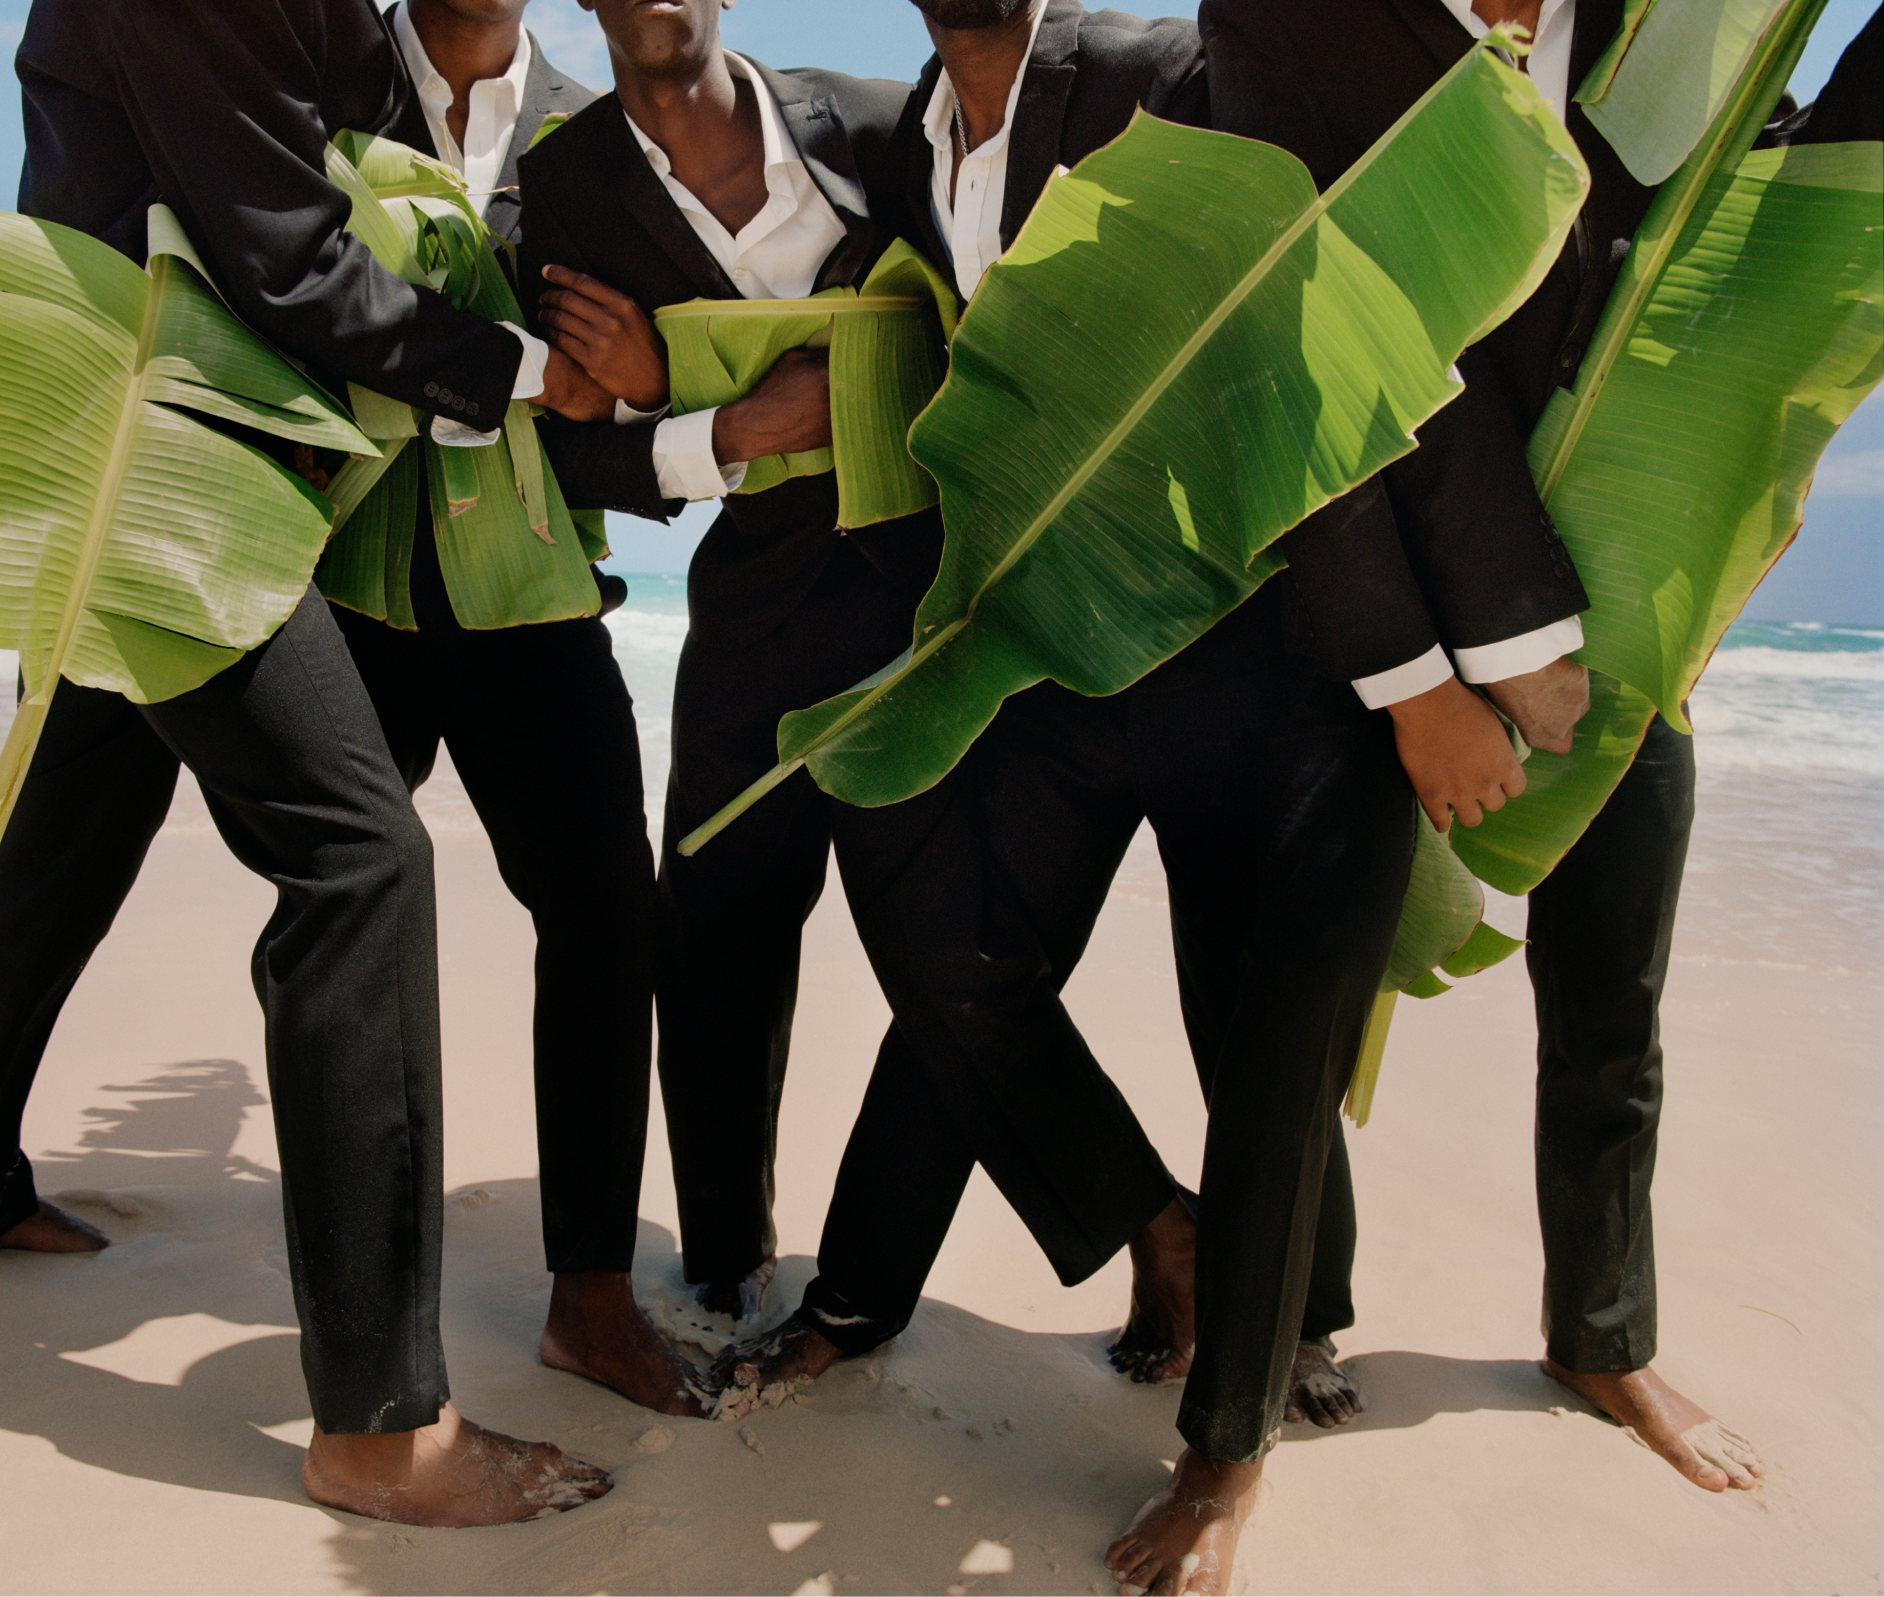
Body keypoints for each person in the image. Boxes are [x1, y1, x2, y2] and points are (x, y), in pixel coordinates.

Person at [711, 4, 1577, 1590]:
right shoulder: (911, 136)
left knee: (1259, 1041)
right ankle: (911, 1282)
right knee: (953, 956)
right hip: (1066, 648)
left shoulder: (1174, 77)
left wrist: (1436, 666)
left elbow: (1344, 337)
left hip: (1283, 654)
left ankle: (1242, 1420)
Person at [0, 0, 621, 1526]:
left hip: (101, 435)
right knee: (358, 859)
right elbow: (285, 259)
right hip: (160, 460)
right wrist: (516, 371)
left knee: (78, 810)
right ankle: (379, 1423)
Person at [1195, 0, 1884, 1504]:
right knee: (1289, 1030)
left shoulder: (1668, 31)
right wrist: (1420, 682)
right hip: (1378, 619)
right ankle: (1241, 1411)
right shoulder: (1295, 22)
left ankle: (1602, 1334)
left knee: (1611, 1016)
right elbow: (1299, 340)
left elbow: (1774, 198)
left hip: (1617, 611)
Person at [518, 0, 1204, 1343]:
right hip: (752, 613)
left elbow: (975, 322)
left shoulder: (887, 124)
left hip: (924, 608)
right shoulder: (567, 183)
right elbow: (575, 446)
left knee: (953, 964)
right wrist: (708, 415)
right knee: (710, 944)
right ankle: (723, 1266)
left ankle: (1158, 1224)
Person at [327, 0, 705, 1418]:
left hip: (532, 590)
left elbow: (650, 365)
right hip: (348, 581)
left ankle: (592, 1296)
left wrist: (646, 379)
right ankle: (364, 1303)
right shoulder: (327, 82)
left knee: (613, 918)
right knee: (345, 925)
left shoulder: (597, 134)